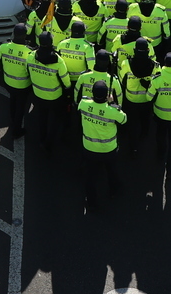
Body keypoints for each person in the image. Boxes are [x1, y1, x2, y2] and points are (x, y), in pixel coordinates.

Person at [78, 80, 127, 208]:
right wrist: (112, 103)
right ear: (106, 95)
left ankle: (91, 203)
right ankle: (113, 192)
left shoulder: (83, 104)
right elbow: (124, 119)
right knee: (112, 171)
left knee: (90, 177)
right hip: (109, 149)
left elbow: (84, 104)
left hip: (89, 148)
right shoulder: (112, 111)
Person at [26, 33, 71, 149]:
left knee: (42, 118)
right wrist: (68, 91)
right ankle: (49, 142)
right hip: (54, 96)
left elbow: (28, 71)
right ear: (51, 43)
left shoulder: (31, 56)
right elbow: (66, 80)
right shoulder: (58, 61)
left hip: (38, 94)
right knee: (55, 120)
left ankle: (42, 139)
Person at [0, 23, 34, 138]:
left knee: (12, 100)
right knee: (21, 107)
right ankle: (17, 131)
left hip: (8, 82)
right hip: (23, 85)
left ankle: (12, 120)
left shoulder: (4, 47)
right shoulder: (29, 52)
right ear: (25, 35)